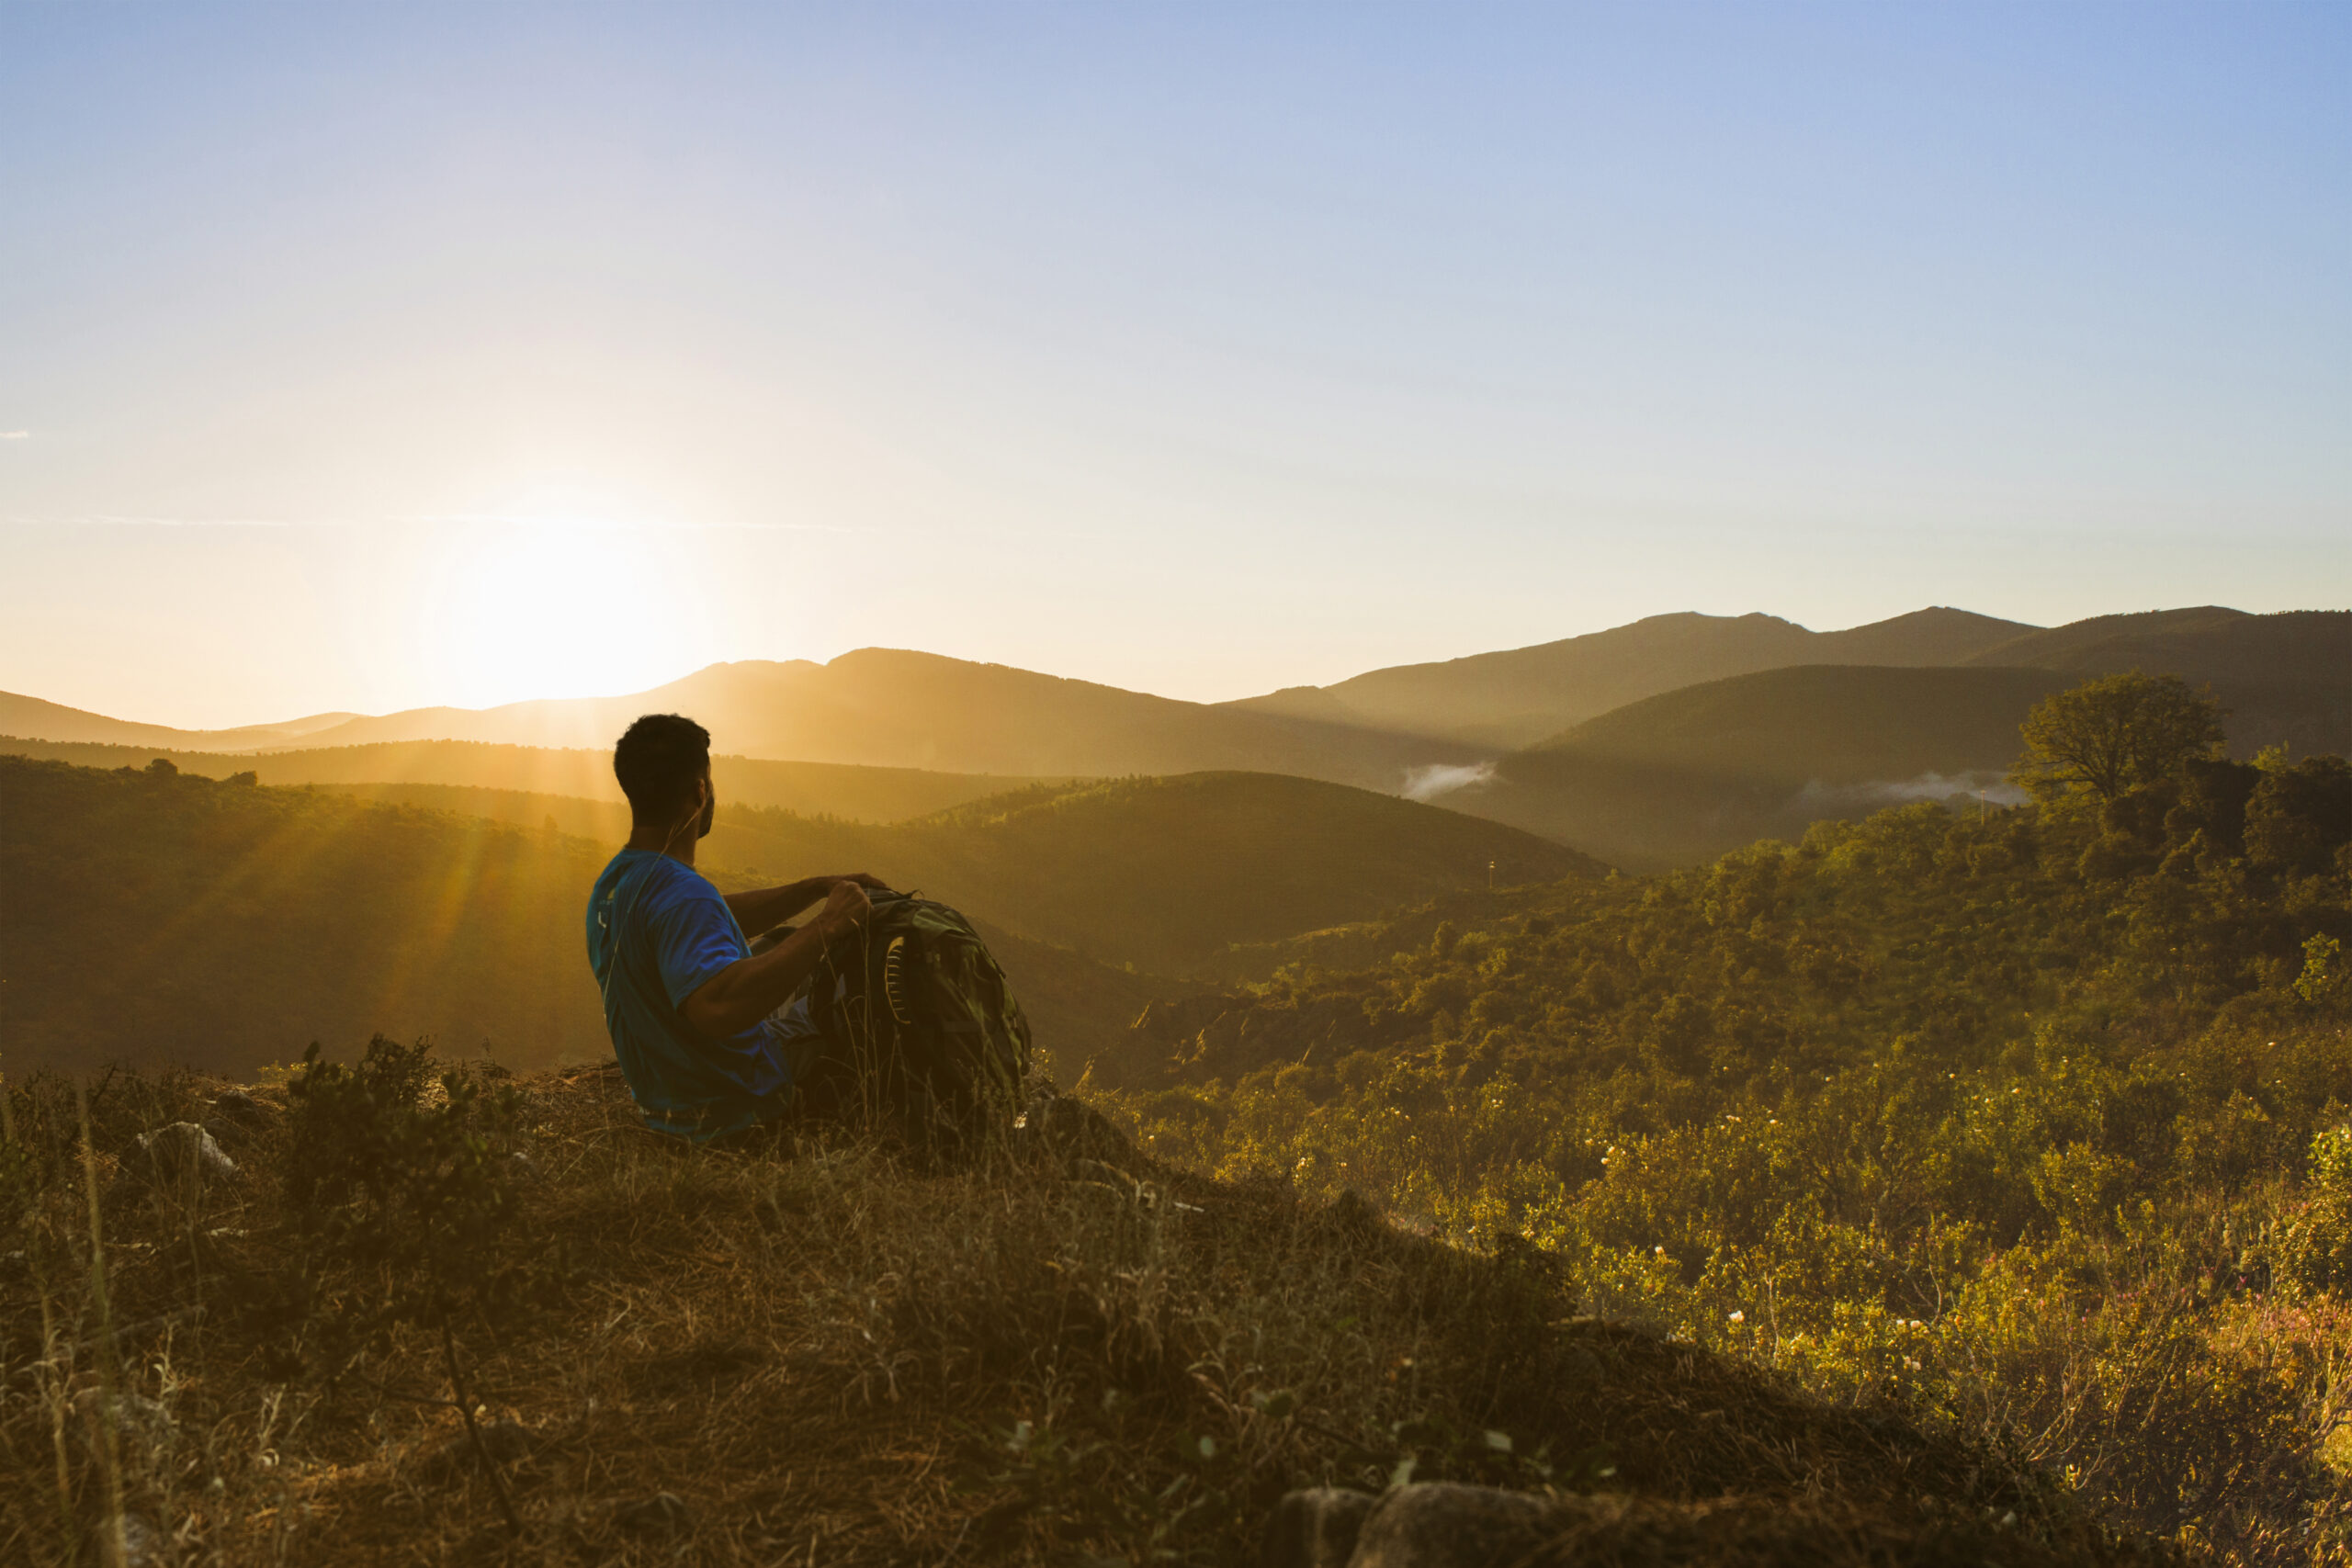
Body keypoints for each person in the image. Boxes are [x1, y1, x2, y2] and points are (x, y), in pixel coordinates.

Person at [584, 712, 880, 1142]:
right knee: (854, 1005)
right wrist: (828, 926)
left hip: (669, 1098)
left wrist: (813, 889)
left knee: (779, 940)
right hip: (734, 1101)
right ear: (700, 791)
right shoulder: (683, 893)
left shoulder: (616, 882)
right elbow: (716, 1009)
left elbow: (697, 920)